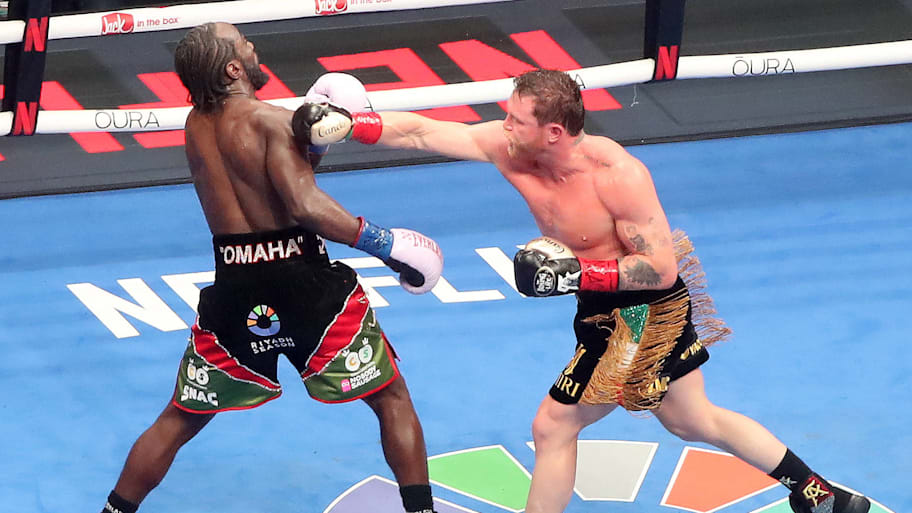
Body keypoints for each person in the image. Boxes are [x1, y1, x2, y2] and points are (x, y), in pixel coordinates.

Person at [292, 69, 871, 513]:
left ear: (554, 132)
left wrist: (577, 274)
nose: (504, 125)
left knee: (554, 426)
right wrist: (354, 126)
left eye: (516, 119)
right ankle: (821, 495)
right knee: (694, 420)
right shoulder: (510, 148)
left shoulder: (615, 176)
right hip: (602, 307)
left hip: (644, 314)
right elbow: (423, 131)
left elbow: (660, 269)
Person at [100, 22, 444, 513]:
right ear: (233, 68)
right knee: (390, 398)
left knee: (180, 417)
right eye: (244, 44)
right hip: (305, 283)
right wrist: (386, 244)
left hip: (235, 284)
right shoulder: (270, 121)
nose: (253, 47)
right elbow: (304, 205)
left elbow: (265, 186)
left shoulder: (196, 126)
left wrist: (312, 146)